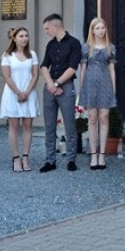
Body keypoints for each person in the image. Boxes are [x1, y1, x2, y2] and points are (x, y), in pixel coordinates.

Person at [38, 13, 82, 173]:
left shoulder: (74, 43)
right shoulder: (50, 45)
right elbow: (44, 66)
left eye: (47, 28)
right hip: (50, 88)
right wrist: (51, 84)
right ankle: (50, 160)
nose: (46, 31)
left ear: (56, 26)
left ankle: (71, 159)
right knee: (49, 125)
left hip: (66, 87)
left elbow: (72, 67)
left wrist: (57, 83)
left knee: (69, 124)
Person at [77, 16, 117, 170]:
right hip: (90, 84)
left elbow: (112, 70)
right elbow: (83, 69)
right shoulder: (86, 47)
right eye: (97, 28)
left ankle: (102, 154)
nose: (101, 31)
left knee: (104, 117)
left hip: (105, 83)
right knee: (92, 118)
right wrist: (82, 88)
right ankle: (93, 154)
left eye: (103, 27)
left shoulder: (110, 47)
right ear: (92, 30)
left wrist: (113, 89)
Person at [0, 27, 40, 172]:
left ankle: (25, 157)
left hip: (28, 92)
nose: (24, 38)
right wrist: (18, 92)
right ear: (15, 38)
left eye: (26, 36)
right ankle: (16, 158)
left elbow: (35, 75)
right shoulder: (7, 55)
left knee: (28, 125)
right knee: (14, 126)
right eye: (21, 36)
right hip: (13, 93)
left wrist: (27, 92)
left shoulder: (32, 55)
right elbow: (7, 76)